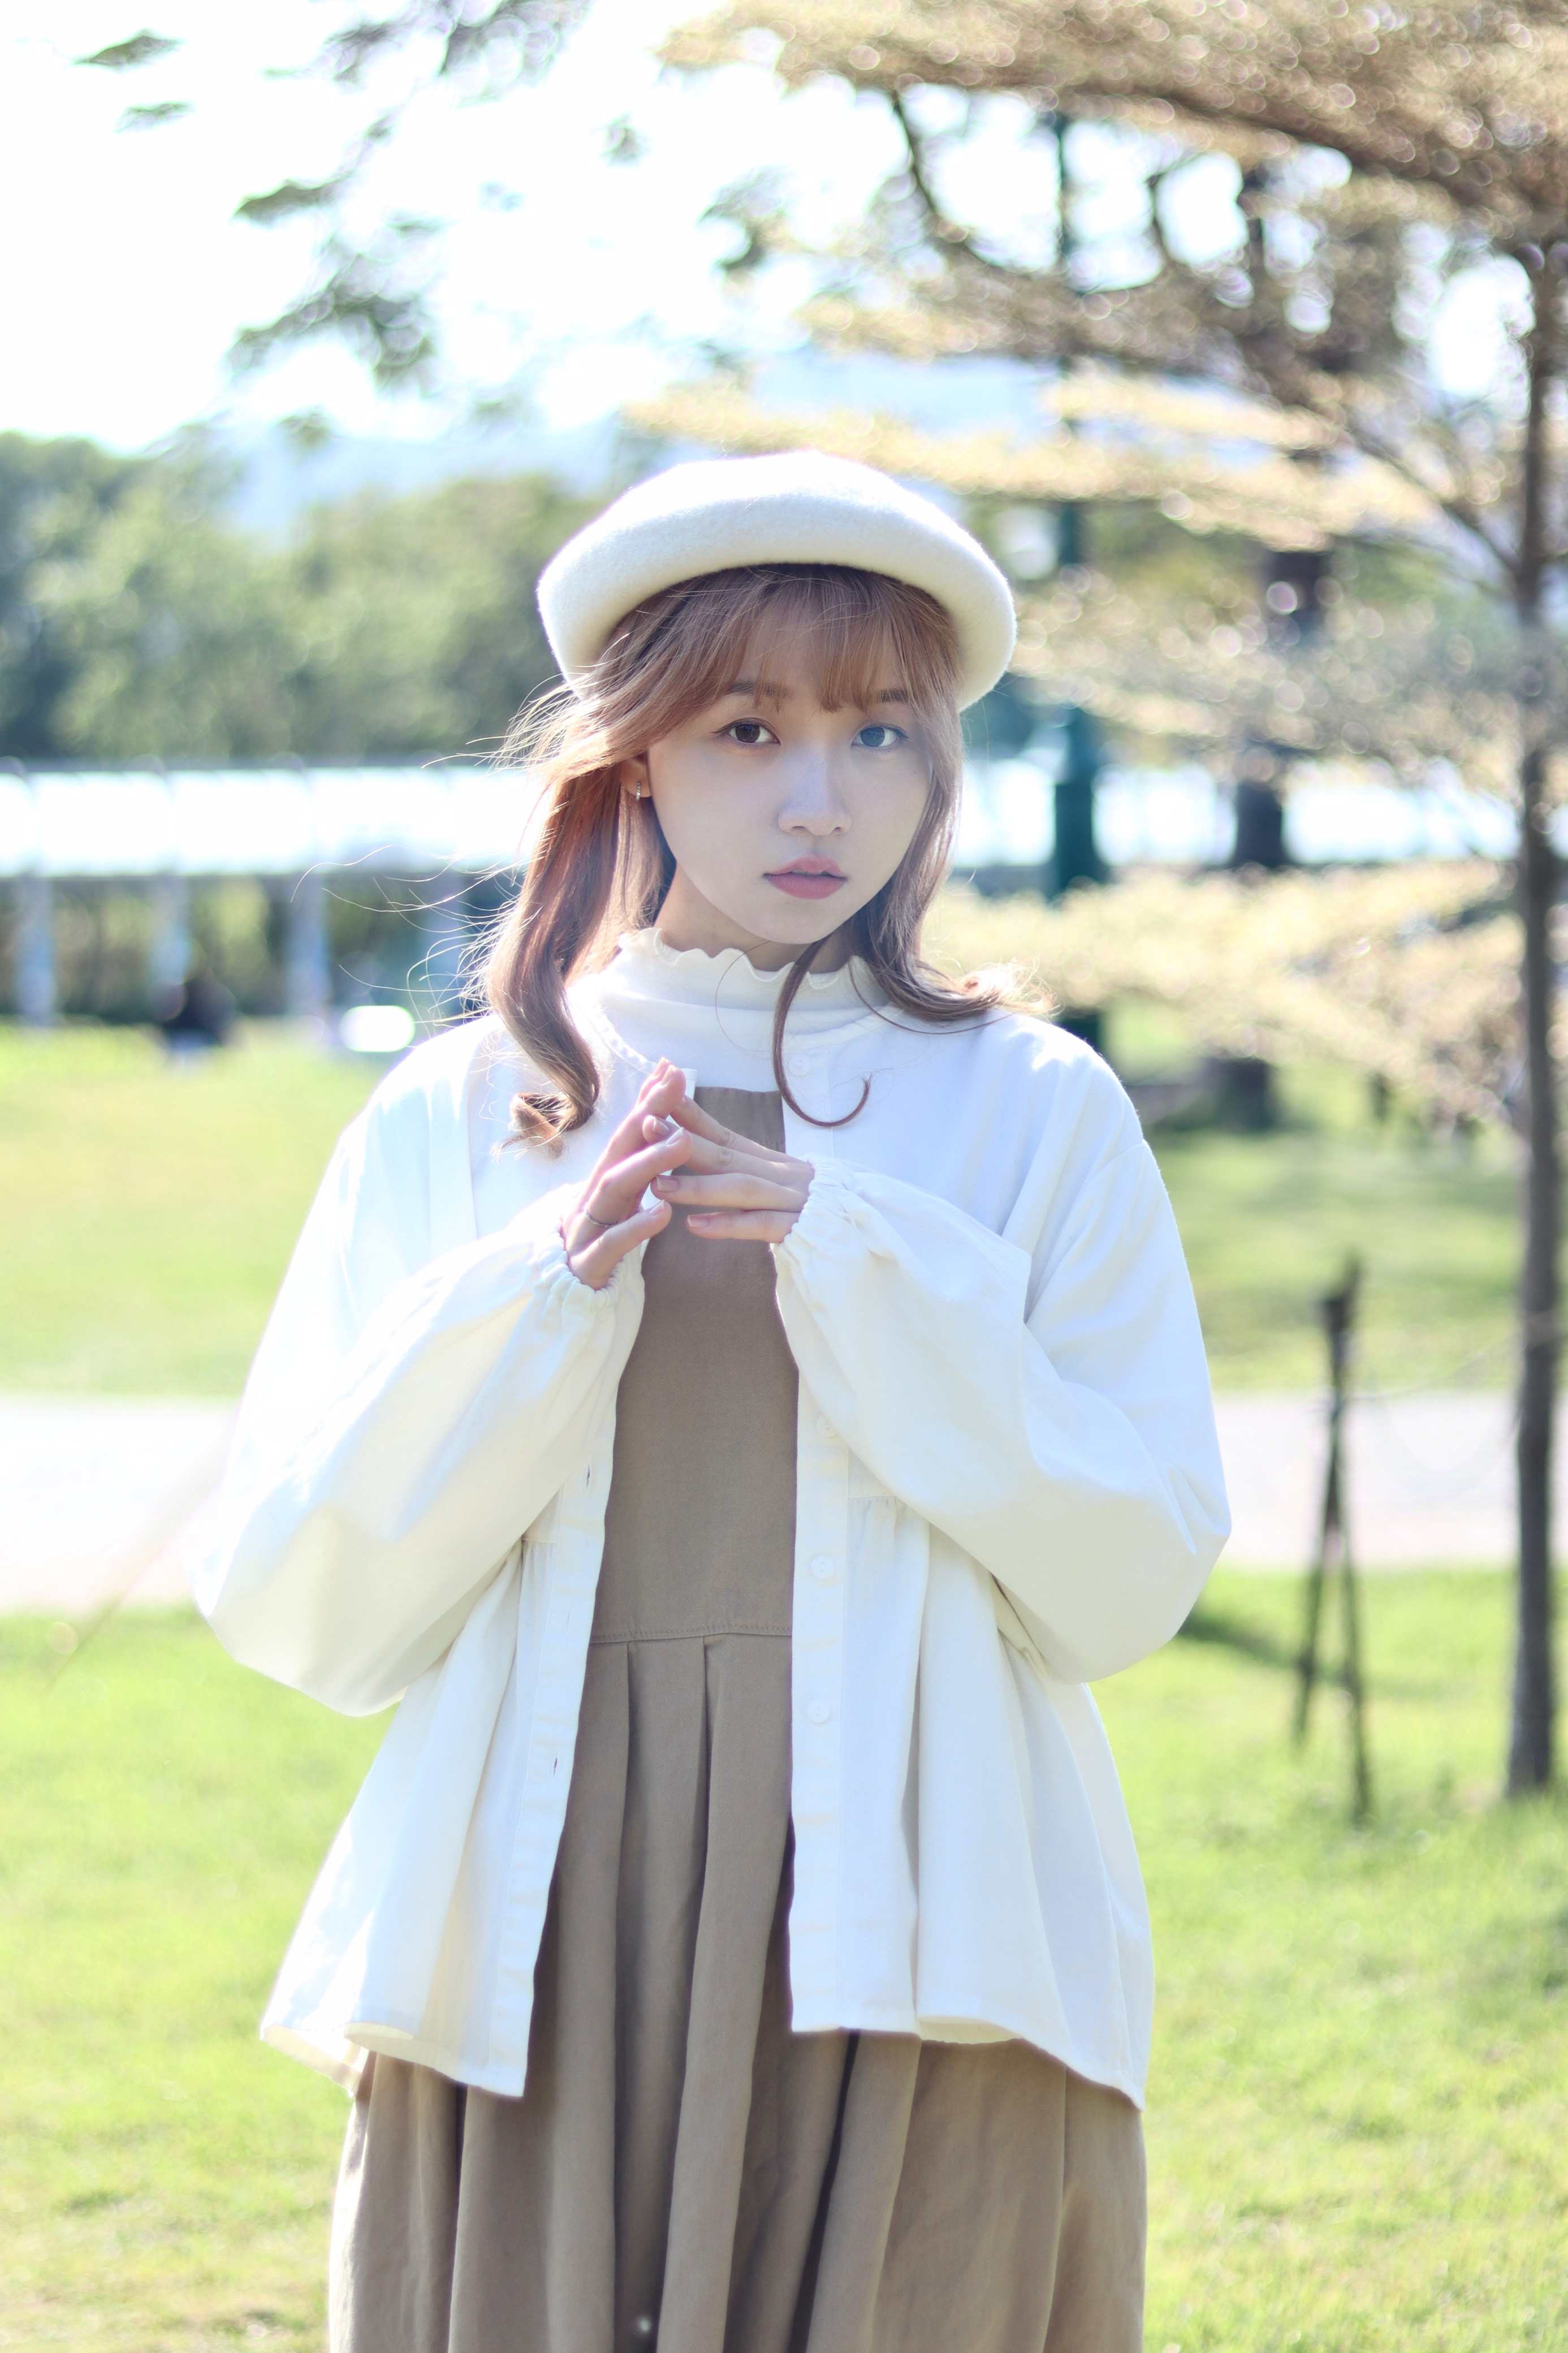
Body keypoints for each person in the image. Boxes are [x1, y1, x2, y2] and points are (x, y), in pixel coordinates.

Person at [195, 451, 1229, 2353]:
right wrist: (538, 1293)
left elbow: (1134, 1574)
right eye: (750, 728)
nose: (821, 797)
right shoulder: (466, 1111)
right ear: (636, 755)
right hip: (550, 1904)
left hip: (923, 1902)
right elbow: (298, 1602)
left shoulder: (1032, 1106)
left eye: (880, 732)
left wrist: (869, 1264)